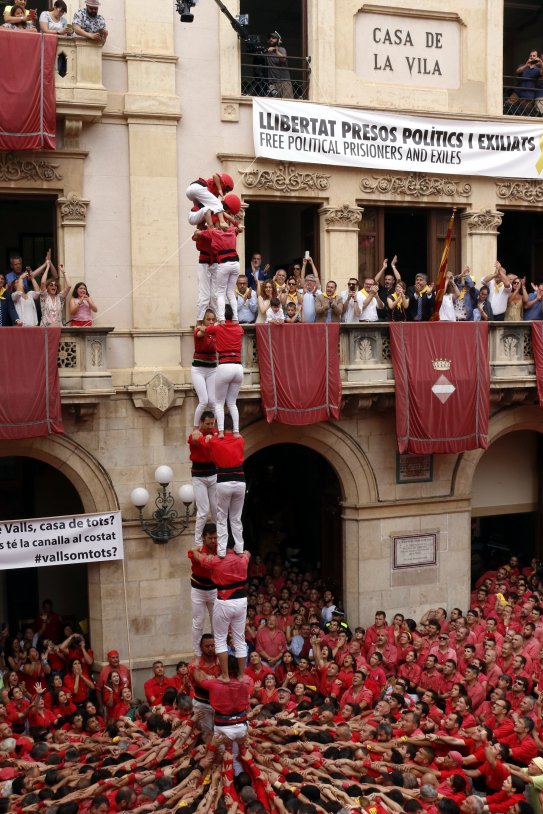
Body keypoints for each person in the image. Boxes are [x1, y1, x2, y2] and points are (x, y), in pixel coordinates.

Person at [188, 547, 250, 681]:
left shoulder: (217, 560)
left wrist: (196, 551)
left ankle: (226, 676)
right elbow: (248, 554)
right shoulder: (242, 558)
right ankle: (241, 675)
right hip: (241, 599)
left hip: (224, 599)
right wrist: (244, 552)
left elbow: (200, 559)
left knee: (220, 639)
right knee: (240, 640)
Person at [204, 415, 245, 559]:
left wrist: (212, 436)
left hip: (223, 481)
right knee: (236, 517)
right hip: (240, 481)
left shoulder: (215, 441)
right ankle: (239, 548)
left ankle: (221, 551)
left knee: (222, 517)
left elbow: (206, 447)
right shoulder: (240, 439)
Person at [200, 304, 244, 436]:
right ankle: (236, 432)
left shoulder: (218, 328)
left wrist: (199, 326)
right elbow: (240, 331)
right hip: (238, 367)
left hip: (225, 366)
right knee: (232, 403)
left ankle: (220, 432)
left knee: (219, 402)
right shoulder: (238, 328)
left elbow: (204, 329)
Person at [194, 654, 251, 748]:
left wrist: (196, 666)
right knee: (239, 755)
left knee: (222, 754)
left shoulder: (213, 683)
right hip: (242, 725)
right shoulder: (245, 682)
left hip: (222, 726)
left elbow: (200, 680)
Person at [188, 411, 218, 546]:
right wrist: (202, 438)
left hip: (213, 474)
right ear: (201, 423)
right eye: (207, 424)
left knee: (216, 509)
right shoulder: (195, 434)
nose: (210, 426)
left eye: (212, 423)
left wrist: (211, 437)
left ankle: (221, 539)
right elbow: (194, 440)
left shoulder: (215, 432)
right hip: (199, 476)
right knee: (203, 511)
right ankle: (198, 542)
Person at [190, 524, 218, 657]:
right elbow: (196, 556)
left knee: (216, 620)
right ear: (204, 537)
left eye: (215, 538)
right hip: (198, 589)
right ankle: (197, 652)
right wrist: (204, 555)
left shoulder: (221, 549)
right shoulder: (196, 550)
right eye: (210, 538)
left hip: (214, 589)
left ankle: (217, 649)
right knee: (198, 621)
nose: (213, 541)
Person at [191, 309, 217, 428]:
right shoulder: (198, 330)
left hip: (212, 369)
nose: (211, 322)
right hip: (199, 369)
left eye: (213, 319)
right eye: (208, 319)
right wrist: (212, 328)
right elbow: (200, 334)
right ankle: (195, 427)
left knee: (212, 401)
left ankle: (218, 427)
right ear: (203, 320)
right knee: (204, 401)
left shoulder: (215, 332)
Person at [40, 262, 71, 327]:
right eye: (51, 285)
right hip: (45, 328)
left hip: (58, 328)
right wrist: (47, 267)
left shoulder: (59, 297)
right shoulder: (45, 297)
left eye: (55, 285)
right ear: (47, 288)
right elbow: (43, 282)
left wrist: (64, 272)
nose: (53, 286)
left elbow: (69, 286)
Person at [265, 31, 294, 99]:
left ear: (278, 40)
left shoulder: (282, 49)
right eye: (270, 38)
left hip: (284, 82)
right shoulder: (267, 52)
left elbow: (283, 59)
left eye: (274, 38)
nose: (271, 39)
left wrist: (275, 51)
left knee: (287, 103)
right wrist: (266, 50)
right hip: (272, 83)